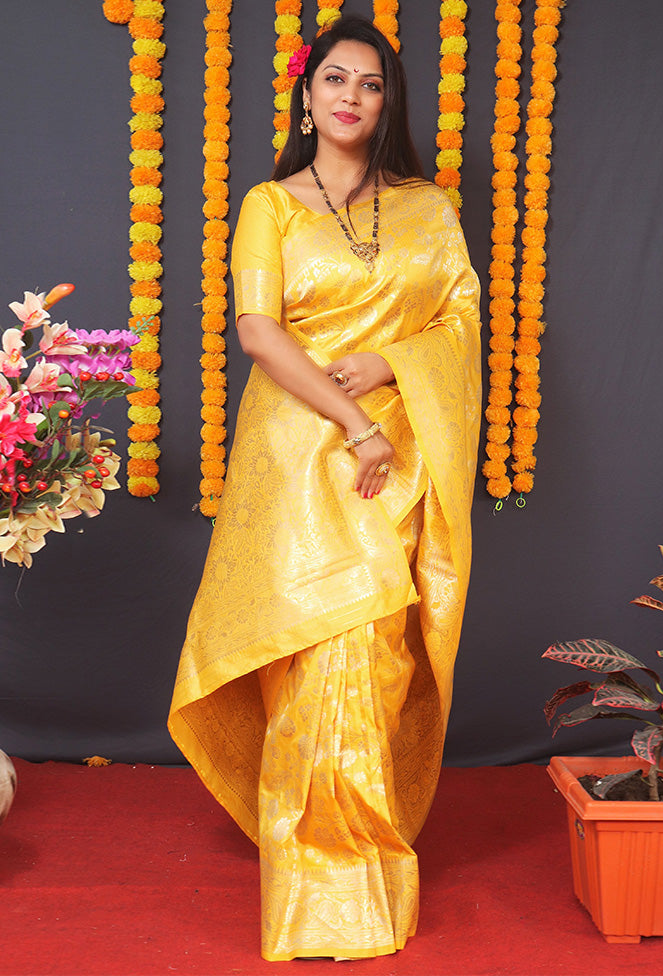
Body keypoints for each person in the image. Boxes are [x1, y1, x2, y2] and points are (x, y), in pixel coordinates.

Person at [168, 14, 481, 962]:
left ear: (390, 103)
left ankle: (367, 858)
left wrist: (388, 362)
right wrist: (353, 423)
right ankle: (315, 885)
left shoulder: (430, 207)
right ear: (306, 96)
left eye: (371, 83)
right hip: (305, 457)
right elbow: (260, 333)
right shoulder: (272, 205)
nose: (351, 96)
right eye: (334, 79)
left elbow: (461, 323)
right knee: (313, 662)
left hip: (402, 459)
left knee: (376, 667)